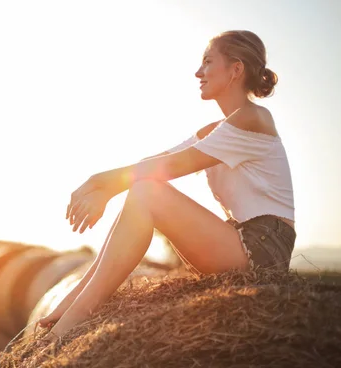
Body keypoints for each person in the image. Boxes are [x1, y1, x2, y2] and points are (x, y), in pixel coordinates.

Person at [37, 30, 296, 341]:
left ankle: (78, 314)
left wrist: (99, 182)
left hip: (262, 249)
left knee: (147, 191)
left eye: (207, 62)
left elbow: (171, 168)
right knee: (142, 190)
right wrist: (108, 187)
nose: (198, 72)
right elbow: (158, 159)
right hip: (239, 240)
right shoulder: (217, 129)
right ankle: (75, 299)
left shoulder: (253, 118)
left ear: (235, 69)